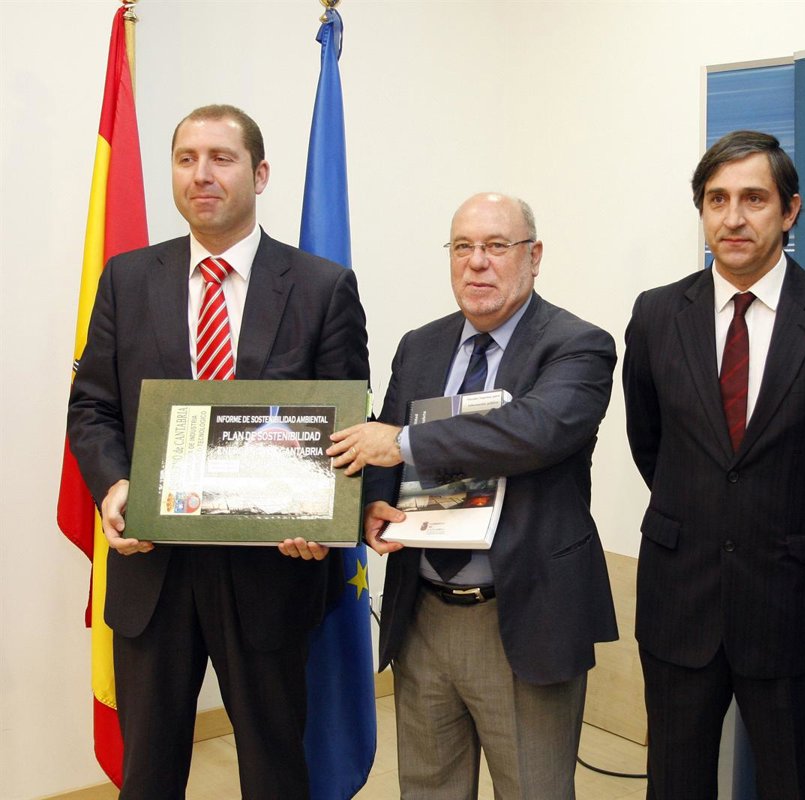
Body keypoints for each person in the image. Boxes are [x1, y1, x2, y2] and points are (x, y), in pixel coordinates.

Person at [66, 104, 369, 799]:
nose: (201, 174)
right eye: (186, 159)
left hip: (272, 573)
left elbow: (344, 424)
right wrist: (115, 486)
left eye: (221, 158)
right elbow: (93, 407)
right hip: (153, 569)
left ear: (260, 174)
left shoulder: (321, 287)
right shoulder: (126, 279)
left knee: (275, 770)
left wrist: (321, 513)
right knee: (149, 774)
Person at [328, 192, 618, 798]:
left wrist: (402, 442)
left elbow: (531, 431)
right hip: (423, 612)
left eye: (496, 246)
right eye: (462, 247)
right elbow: (385, 436)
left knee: (534, 790)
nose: (476, 262)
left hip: (523, 615)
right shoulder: (421, 345)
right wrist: (375, 500)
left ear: (534, 256)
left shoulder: (578, 344)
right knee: (427, 788)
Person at [622, 130, 805, 799]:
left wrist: (804, 540)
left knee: (798, 783)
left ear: (790, 211)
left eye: (754, 199)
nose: (733, 218)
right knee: (675, 784)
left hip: (796, 605)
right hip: (681, 601)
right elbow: (651, 444)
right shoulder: (656, 315)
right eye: (717, 199)